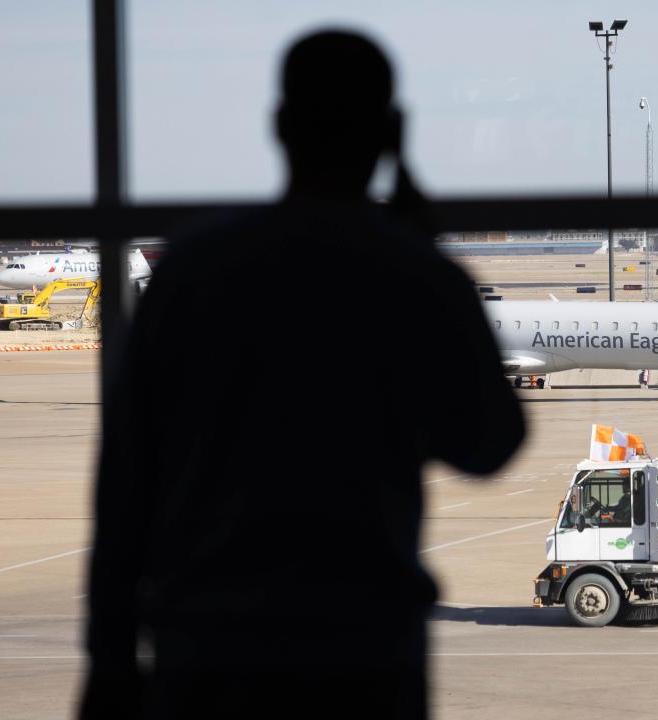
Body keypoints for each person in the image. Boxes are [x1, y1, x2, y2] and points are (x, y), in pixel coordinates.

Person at [79, 30, 525, 720]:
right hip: (365, 651)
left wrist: (108, 661)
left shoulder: (193, 271)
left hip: (208, 647)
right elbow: (490, 442)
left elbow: (124, 486)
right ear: (391, 132)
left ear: (280, 128)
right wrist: (428, 257)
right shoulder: (412, 275)